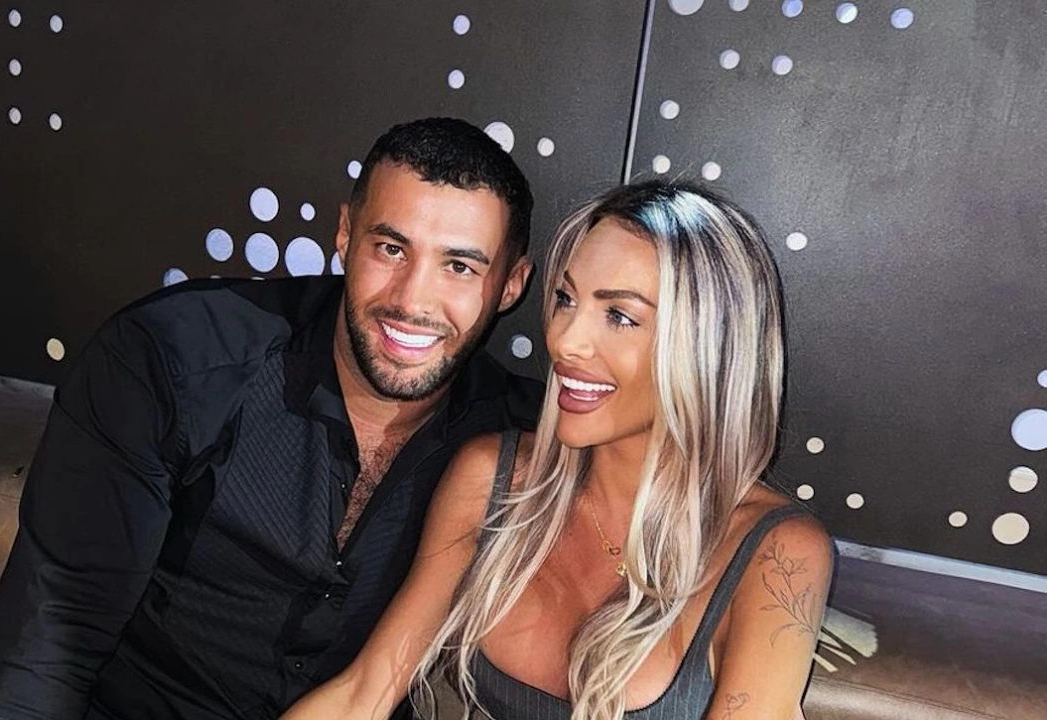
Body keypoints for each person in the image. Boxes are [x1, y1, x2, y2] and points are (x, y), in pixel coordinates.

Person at [0, 117, 543, 720]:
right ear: (346, 234)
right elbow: (56, 627)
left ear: (511, 285)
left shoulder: (516, 443)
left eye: (460, 267)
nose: (411, 299)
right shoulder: (176, 361)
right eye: (391, 248)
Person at [282, 181, 835, 720]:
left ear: (708, 347)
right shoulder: (493, 478)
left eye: (620, 316)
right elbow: (364, 694)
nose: (565, 341)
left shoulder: (777, 552)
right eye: (566, 300)